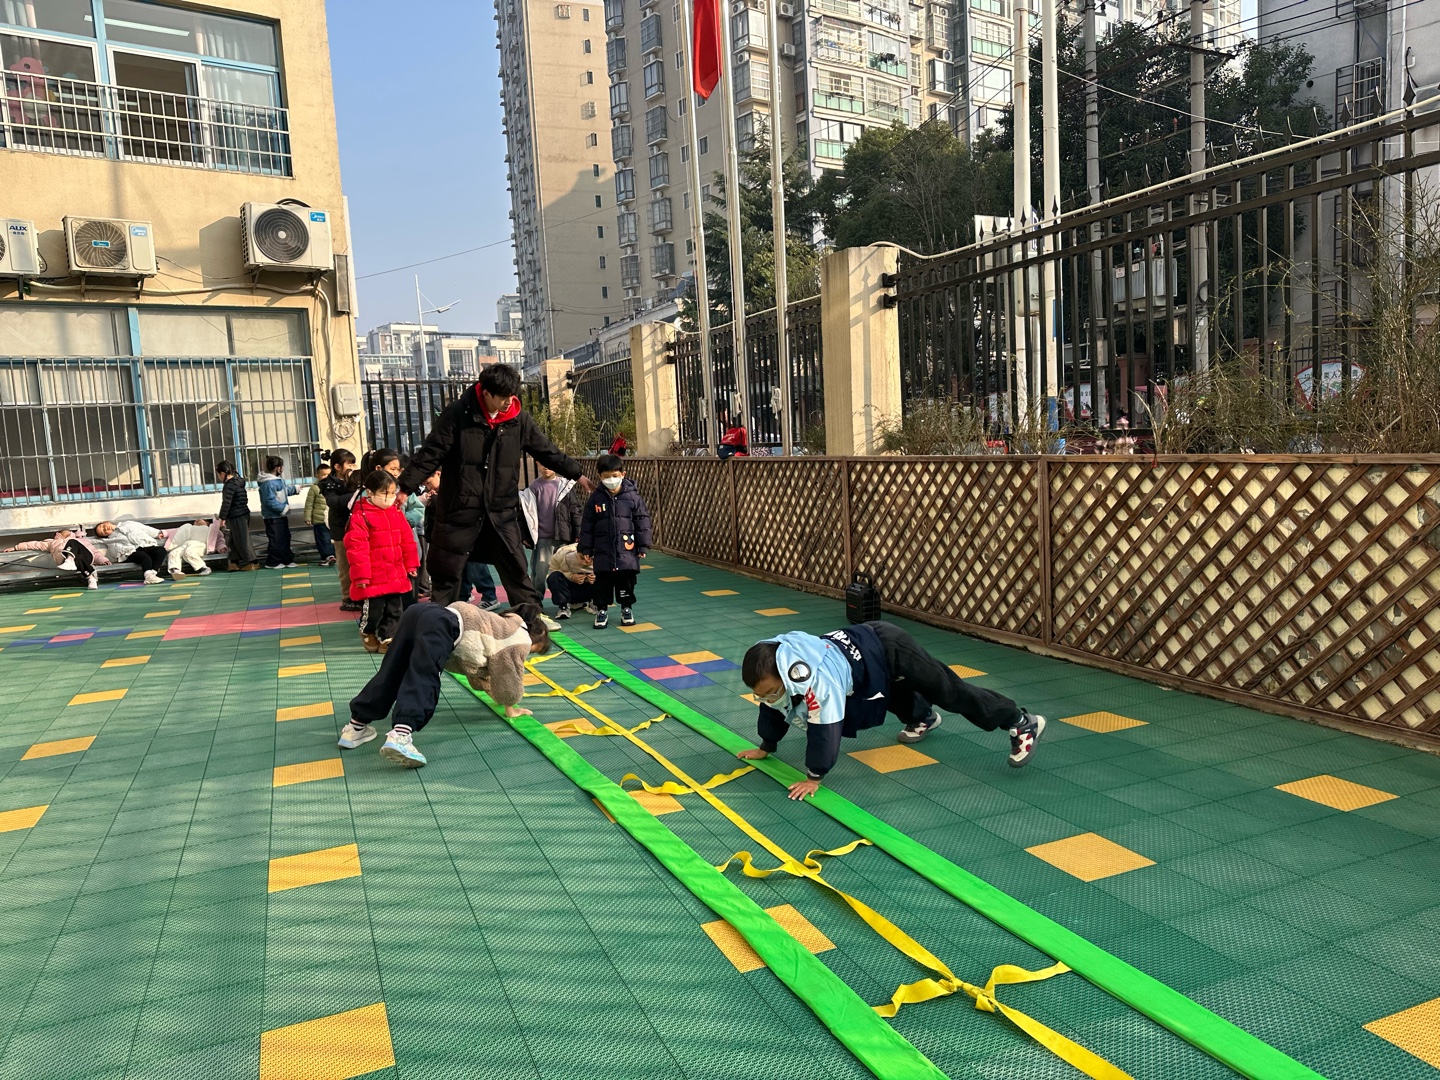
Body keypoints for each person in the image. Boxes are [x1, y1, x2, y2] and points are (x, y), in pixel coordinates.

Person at [736, 623, 1047, 799]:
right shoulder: (777, 664)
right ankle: (922, 717)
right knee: (879, 694)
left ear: (787, 675)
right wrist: (767, 746)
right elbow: (773, 707)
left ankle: (1020, 721)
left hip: (890, 646)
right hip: (865, 660)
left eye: (772, 691)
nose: (768, 698)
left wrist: (814, 777)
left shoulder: (819, 683)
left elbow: (825, 731)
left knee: (949, 692)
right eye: (761, 694)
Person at [396, 363, 587, 631]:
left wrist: (577, 474)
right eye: (503, 397)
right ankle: (438, 627)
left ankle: (531, 621)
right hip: (460, 510)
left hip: (501, 511)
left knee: (516, 568)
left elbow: (546, 450)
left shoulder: (517, 419)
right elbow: (431, 453)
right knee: (447, 572)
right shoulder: (457, 415)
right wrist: (405, 488)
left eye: (512, 396)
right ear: (485, 393)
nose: (509, 402)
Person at [337, 602, 549, 768]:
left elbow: (476, 668)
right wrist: (511, 707)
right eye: (534, 651)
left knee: (392, 671)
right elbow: (508, 674)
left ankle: (355, 727)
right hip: (440, 624)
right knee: (424, 674)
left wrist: (492, 691)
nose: (527, 654)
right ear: (535, 638)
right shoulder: (521, 638)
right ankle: (401, 735)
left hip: (418, 613)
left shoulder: (502, 623)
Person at [345, 470, 419, 653]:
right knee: (374, 611)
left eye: (393, 493)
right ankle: (368, 631)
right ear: (370, 492)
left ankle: (388, 638)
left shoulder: (396, 513)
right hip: (373, 575)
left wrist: (410, 564)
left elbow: (407, 541)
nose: (389, 498)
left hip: (395, 572)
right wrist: (361, 576)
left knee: (395, 610)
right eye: (385, 493)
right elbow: (357, 548)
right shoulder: (361, 516)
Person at [578, 454, 652, 629]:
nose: (611, 480)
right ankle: (601, 610)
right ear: (599, 476)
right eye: (606, 476)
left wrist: (643, 545)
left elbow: (642, 522)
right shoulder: (595, 499)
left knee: (626, 581)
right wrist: (586, 548)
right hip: (603, 551)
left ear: (622, 474)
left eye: (615, 475)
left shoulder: (633, 497)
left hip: (626, 550)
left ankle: (626, 608)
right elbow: (587, 525)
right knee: (602, 582)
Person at [519, 464, 576, 605]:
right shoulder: (533, 487)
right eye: (542, 463)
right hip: (542, 538)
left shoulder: (565, 486)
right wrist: (525, 535)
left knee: (567, 570)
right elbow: (524, 513)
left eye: (549, 463)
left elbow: (575, 510)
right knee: (539, 572)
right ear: (537, 464)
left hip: (563, 537)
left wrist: (577, 533)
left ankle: (569, 601)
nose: (546, 467)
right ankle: (536, 601)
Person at [319, 449, 360, 610]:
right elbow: (333, 502)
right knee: (344, 564)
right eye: (349, 464)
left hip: (357, 527)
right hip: (341, 529)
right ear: (337, 466)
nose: (352, 467)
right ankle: (347, 597)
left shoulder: (355, 479)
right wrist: (356, 494)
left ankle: (359, 594)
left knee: (358, 563)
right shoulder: (329, 484)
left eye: (353, 464)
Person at [5, 527, 108, 589]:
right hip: (68, 559)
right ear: (59, 534)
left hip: (86, 556)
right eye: (64, 532)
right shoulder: (52, 543)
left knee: (72, 543)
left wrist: (103, 560)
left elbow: (94, 551)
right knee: (78, 558)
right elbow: (34, 544)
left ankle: (70, 560)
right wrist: (15, 547)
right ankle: (91, 578)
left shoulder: (80, 540)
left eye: (68, 532)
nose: (66, 533)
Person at [94, 519, 170, 584]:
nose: (105, 529)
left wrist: (158, 533)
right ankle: (149, 576)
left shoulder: (128, 524)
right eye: (103, 532)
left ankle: (152, 574)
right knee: (144, 557)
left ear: (106, 522)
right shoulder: (111, 540)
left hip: (144, 545)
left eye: (103, 526)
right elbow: (114, 551)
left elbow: (144, 528)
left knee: (161, 551)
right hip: (130, 552)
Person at [258, 455, 299, 569]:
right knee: (276, 540)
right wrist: (283, 508)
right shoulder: (268, 483)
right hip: (272, 517)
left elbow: (283, 491)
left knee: (285, 537)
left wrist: (295, 489)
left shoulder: (275, 481)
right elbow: (269, 501)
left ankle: (286, 559)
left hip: (280, 516)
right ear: (278, 468)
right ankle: (272, 562)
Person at [215, 461, 257, 570]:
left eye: (218, 474)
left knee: (242, 539)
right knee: (233, 540)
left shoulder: (229, 486)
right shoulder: (238, 482)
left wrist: (222, 518)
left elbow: (226, 503)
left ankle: (253, 562)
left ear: (223, 474)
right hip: (242, 514)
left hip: (237, 515)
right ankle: (234, 562)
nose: (218, 477)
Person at [545, 543, 596, 619]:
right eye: (581, 558)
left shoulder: (603, 558)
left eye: (590, 559)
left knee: (606, 577)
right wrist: (571, 576)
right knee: (554, 577)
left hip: (588, 589)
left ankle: (596, 603)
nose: (584, 562)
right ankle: (563, 606)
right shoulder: (562, 555)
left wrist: (596, 577)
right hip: (570, 589)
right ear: (576, 553)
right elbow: (553, 570)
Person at [305, 463, 335, 565]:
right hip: (319, 519)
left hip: (331, 518)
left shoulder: (334, 486)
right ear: (317, 476)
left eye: (328, 475)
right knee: (323, 539)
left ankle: (333, 555)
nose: (326, 477)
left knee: (332, 538)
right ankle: (328, 556)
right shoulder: (314, 488)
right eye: (323, 475)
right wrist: (308, 517)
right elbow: (309, 503)